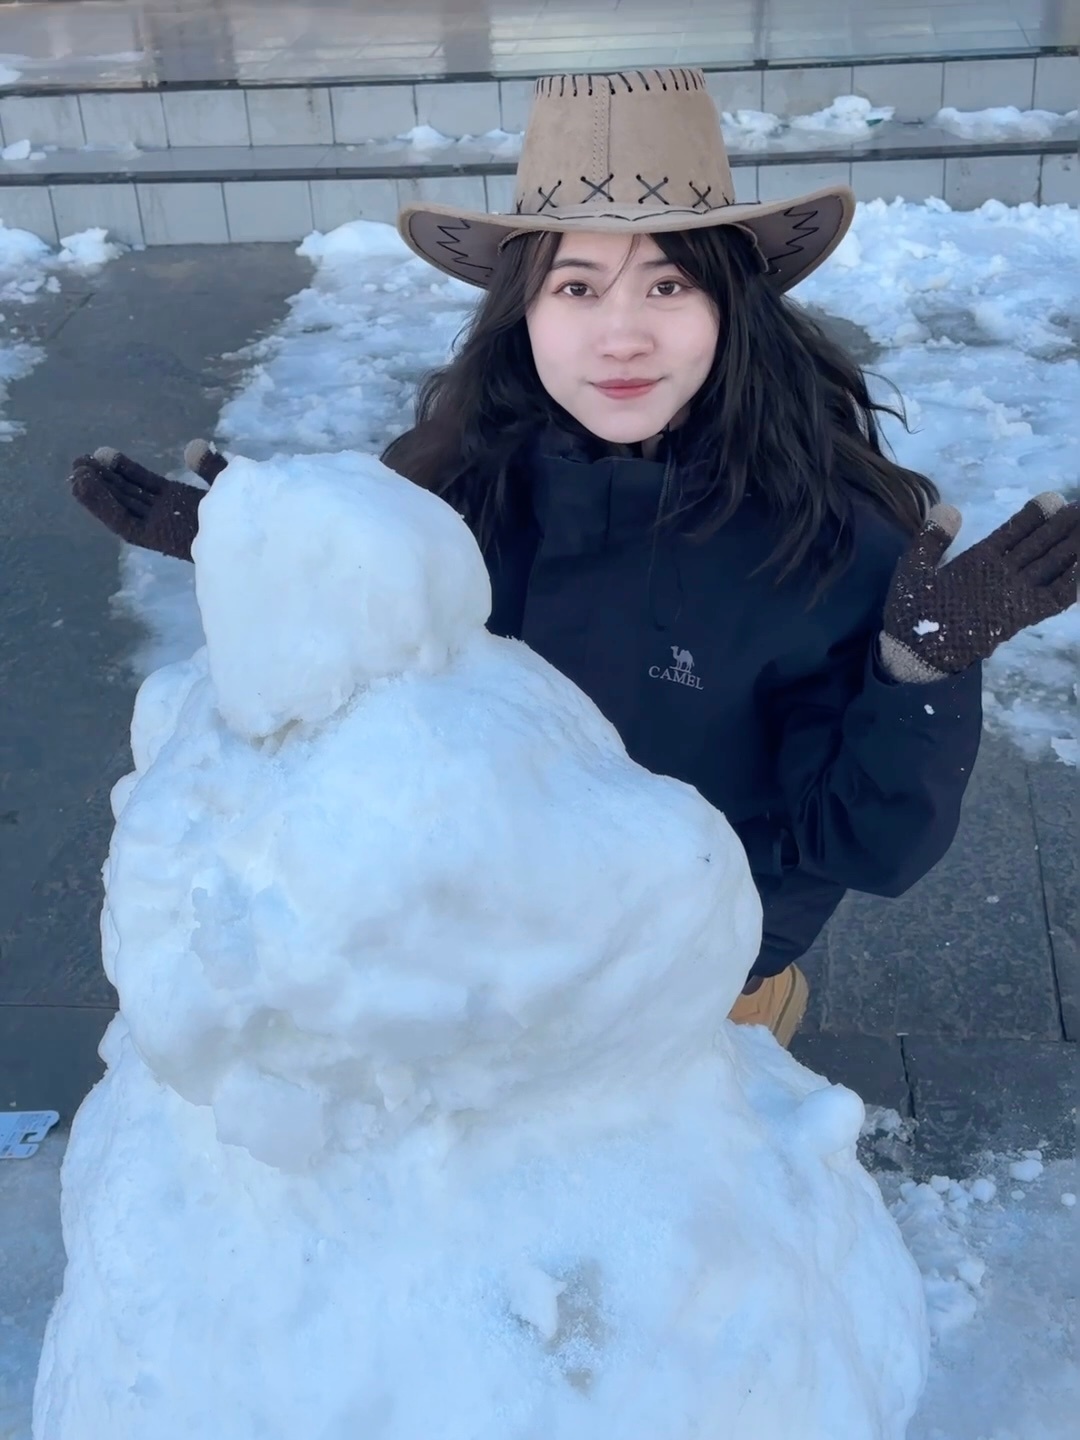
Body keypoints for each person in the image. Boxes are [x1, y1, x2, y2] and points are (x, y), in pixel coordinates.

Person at [69, 67, 1080, 1048]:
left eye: (669, 282)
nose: (622, 335)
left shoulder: (827, 540)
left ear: (731, 305)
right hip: (468, 976)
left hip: (696, 993)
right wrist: (274, 555)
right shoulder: (448, 488)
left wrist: (919, 674)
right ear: (526, 311)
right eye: (577, 286)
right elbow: (377, 694)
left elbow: (867, 844)